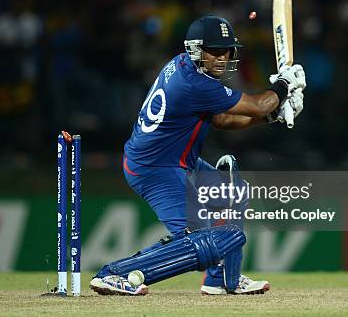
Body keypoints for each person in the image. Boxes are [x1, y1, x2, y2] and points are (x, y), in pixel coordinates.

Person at [89, 15, 306, 295]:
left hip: (176, 161)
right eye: (214, 51)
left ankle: (223, 280)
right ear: (195, 49)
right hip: (155, 169)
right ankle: (116, 274)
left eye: (226, 51)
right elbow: (256, 104)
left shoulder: (185, 67)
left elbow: (223, 120)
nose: (222, 58)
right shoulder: (194, 84)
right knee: (201, 239)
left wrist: (273, 113)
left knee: (233, 194)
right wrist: (283, 87)